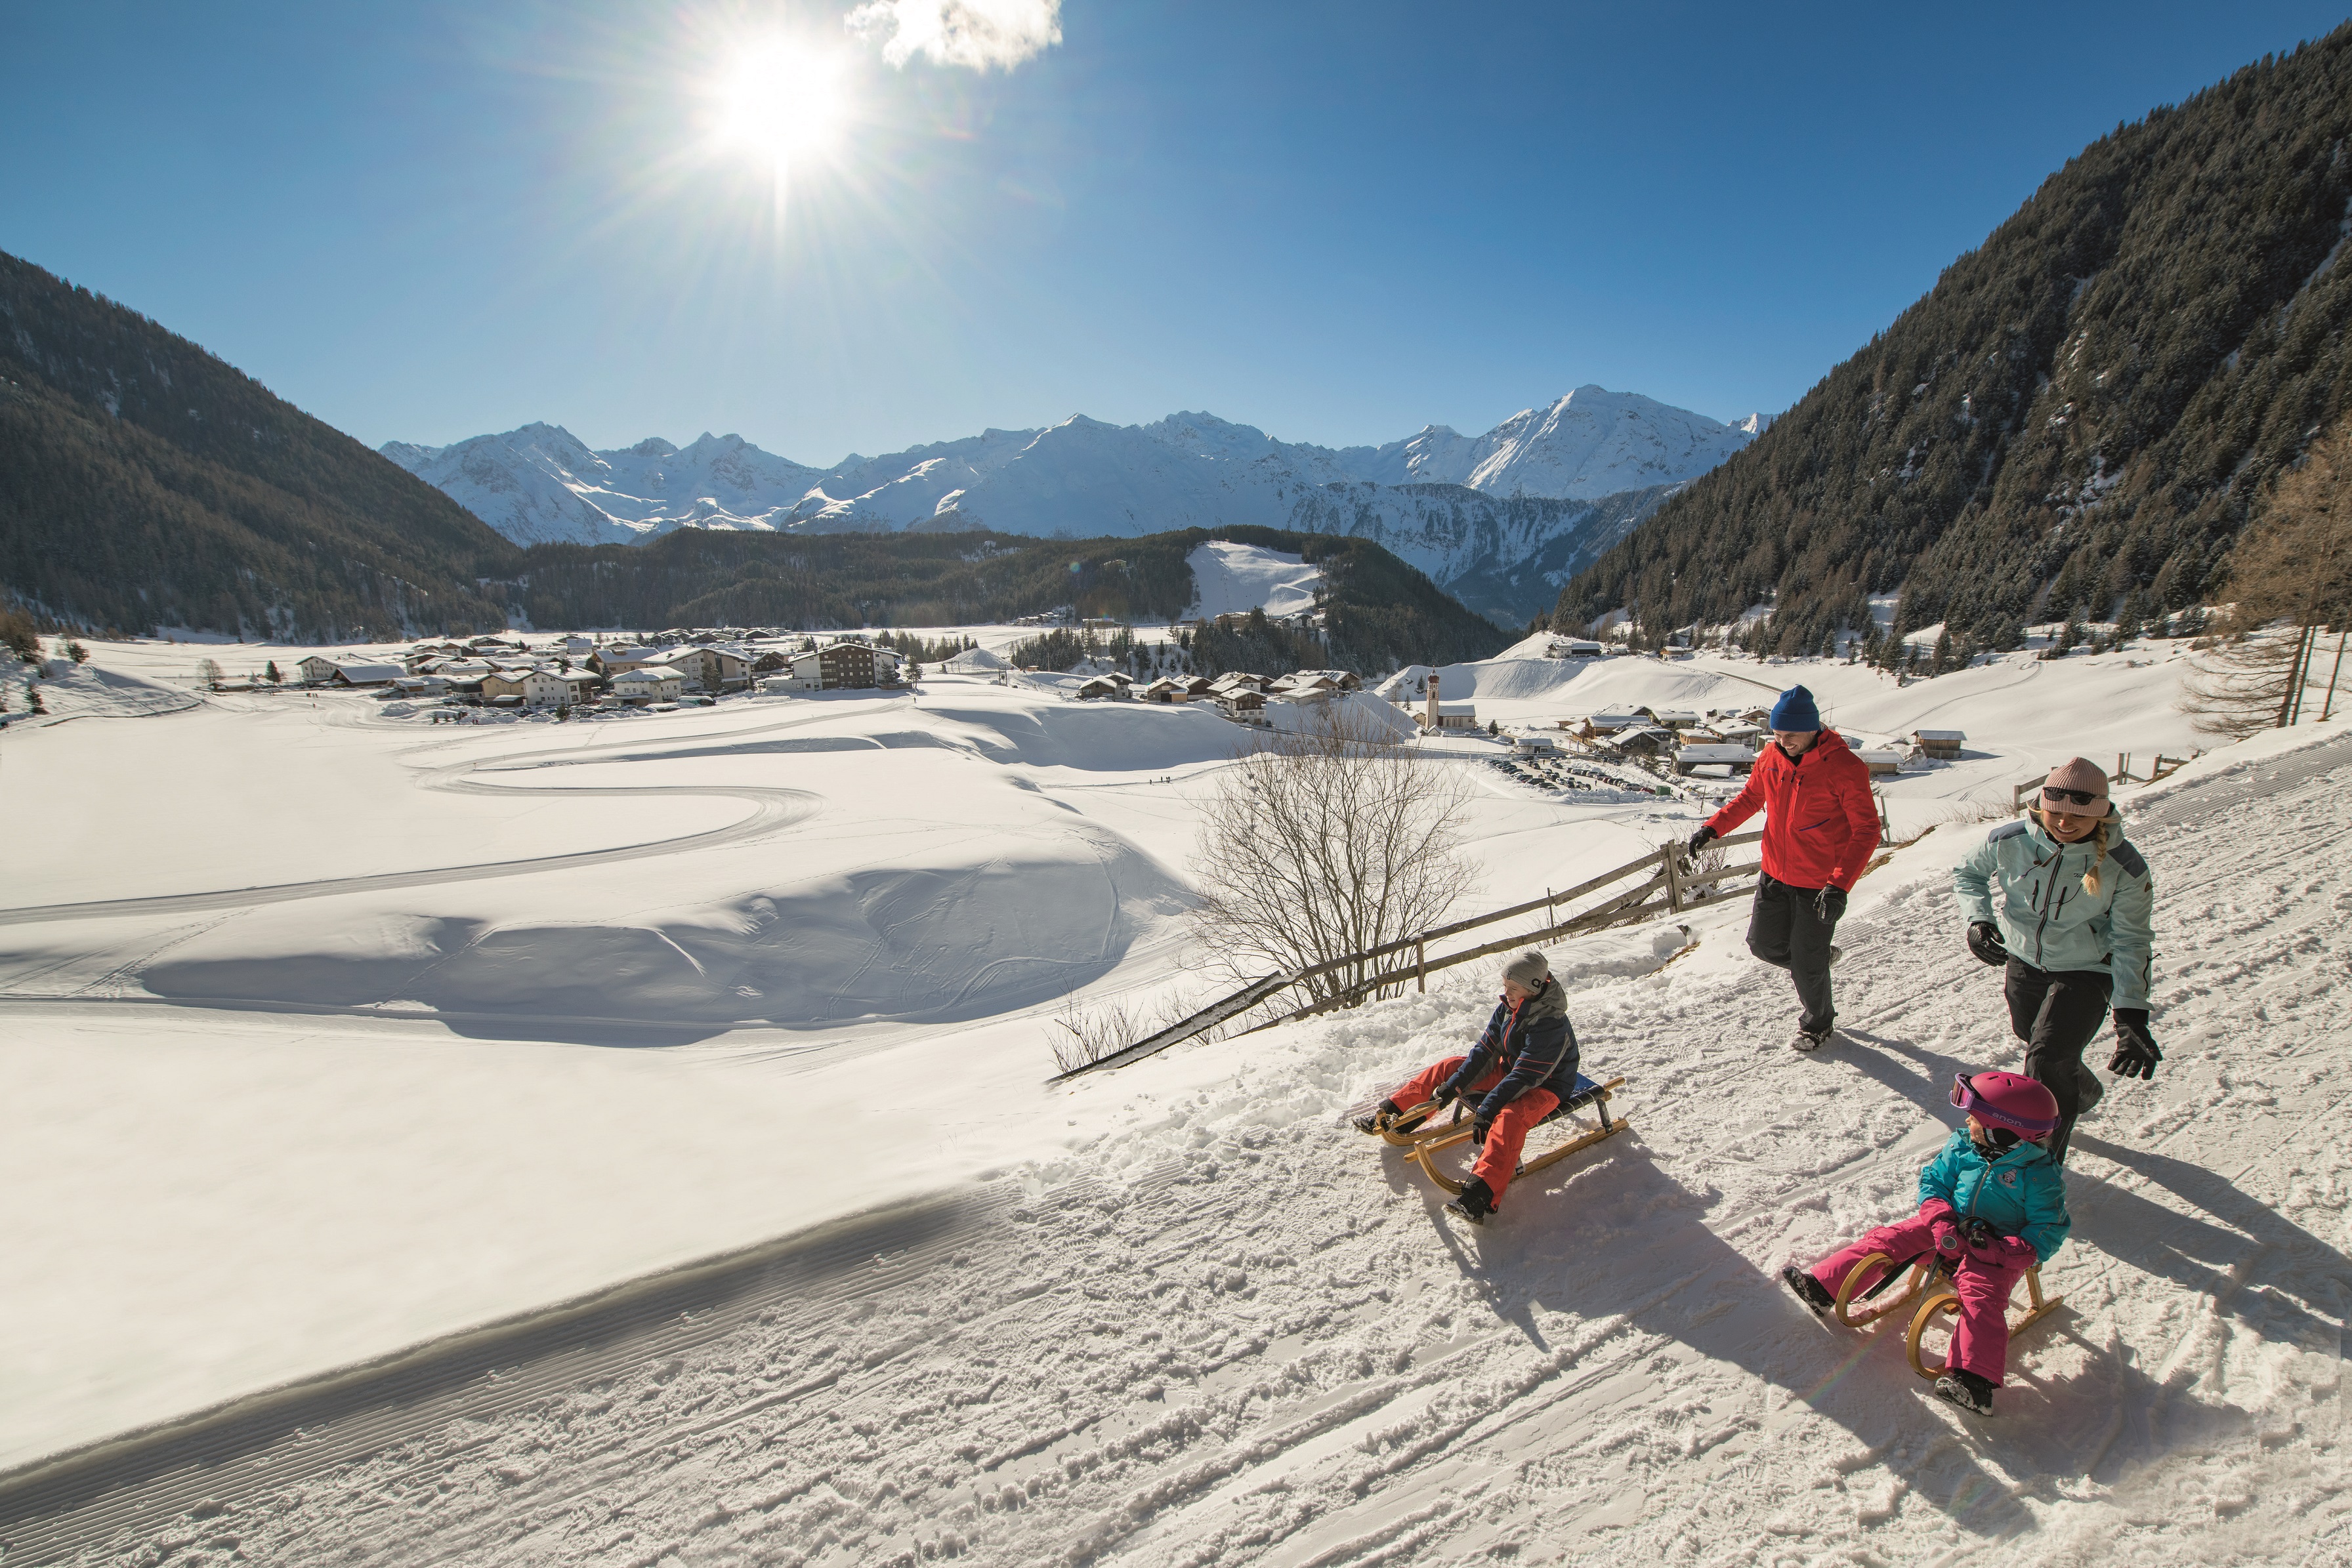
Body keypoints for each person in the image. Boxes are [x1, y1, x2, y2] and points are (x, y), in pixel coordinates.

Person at [1782, 1070, 2070, 1416]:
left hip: (1995, 1251)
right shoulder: (1965, 1144)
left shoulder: (2040, 1177)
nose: (1968, 1121)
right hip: (1946, 1227)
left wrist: (1999, 1250)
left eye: (1976, 1119)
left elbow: (2048, 1230)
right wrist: (1941, 1221)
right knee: (1889, 1238)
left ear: (2005, 1133)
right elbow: (1933, 1184)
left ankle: (1972, 1381)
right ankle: (1823, 1287)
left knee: (1981, 1296)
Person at [1952, 757, 2158, 1163]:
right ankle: (2081, 1088)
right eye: (2056, 811)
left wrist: (2132, 1015)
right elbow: (1967, 874)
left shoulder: (2124, 867)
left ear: (2100, 814)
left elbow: (2133, 939)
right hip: (2024, 959)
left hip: (2087, 969)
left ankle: (2039, 1167)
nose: (2064, 822)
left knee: (2044, 1061)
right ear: (2041, 805)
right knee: (2034, 1038)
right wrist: (1978, 920)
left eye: (2078, 815)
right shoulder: (2009, 840)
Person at [1685, 685, 1879, 1050]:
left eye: (1789, 735)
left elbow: (1867, 829)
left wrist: (1839, 885)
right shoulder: (1770, 757)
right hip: (1775, 872)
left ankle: (1818, 1022)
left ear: (1812, 728)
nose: (1781, 742)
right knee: (1763, 945)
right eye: (1775, 734)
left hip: (1819, 882)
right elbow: (1751, 797)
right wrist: (1713, 827)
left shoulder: (1845, 768)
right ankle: (1817, 961)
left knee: (1806, 965)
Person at [1353, 951, 1578, 1225]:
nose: (1505, 992)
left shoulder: (1551, 1024)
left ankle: (1481, 1195)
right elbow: (1484, 1051)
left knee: (1509, 1117)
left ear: (1533, 988)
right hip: (1511, 1071)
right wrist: (1453, 1087)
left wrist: (1489, 1108)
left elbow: (1525, 1076)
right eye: (1505, 986)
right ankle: (1398, 1114)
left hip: (1547, 1085)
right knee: (1450, 1066)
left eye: (1512, 988)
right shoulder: (1509, 1008)